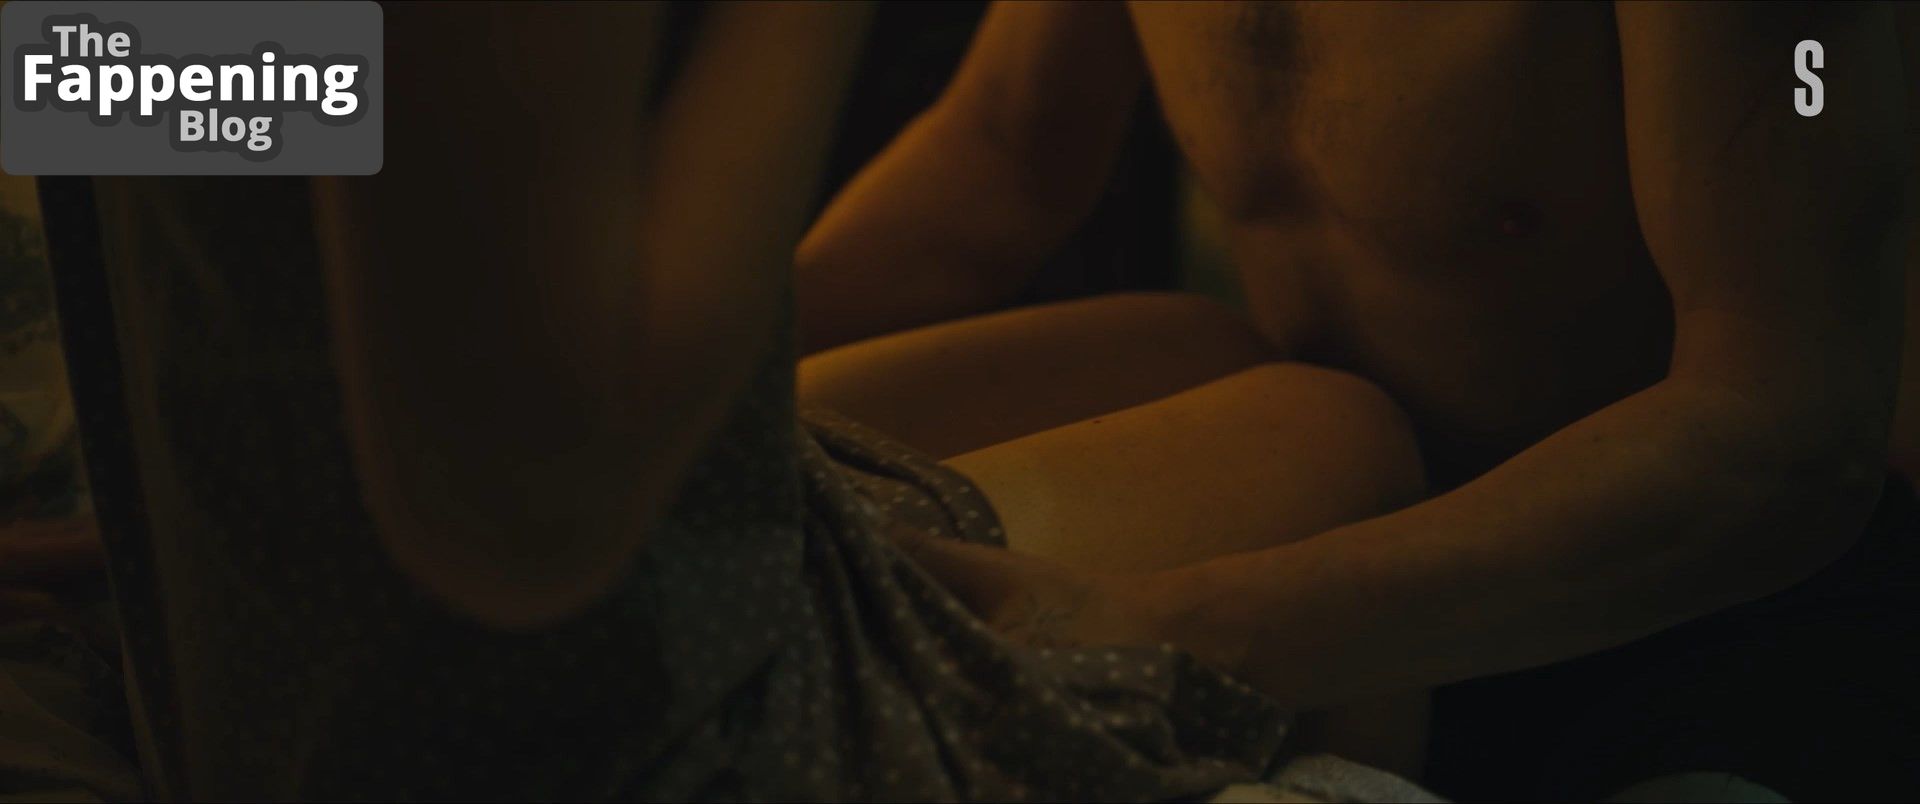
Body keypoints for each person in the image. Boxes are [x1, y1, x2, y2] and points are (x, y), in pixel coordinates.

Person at [70, 3, 1435, 800]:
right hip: (556, 732)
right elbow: (526, 527)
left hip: (245, 640)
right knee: (1340, 445)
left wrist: (254, 428)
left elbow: (105, 83)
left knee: (1187, 348)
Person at [795, 1, 1918, 799]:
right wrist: (702, 390)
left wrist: (1179, 629)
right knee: (1192, 352)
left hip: (1677, 608)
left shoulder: (1796, 37)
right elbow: (1003, 155)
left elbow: (1793, 434)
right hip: (1335, 515)